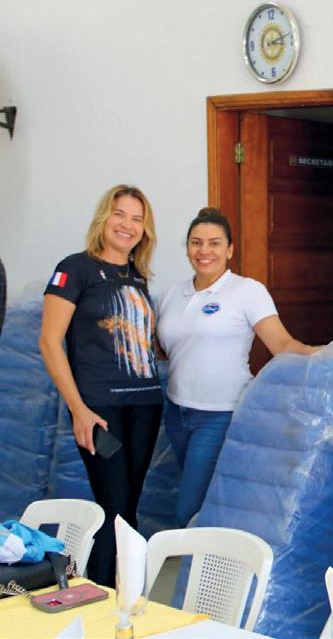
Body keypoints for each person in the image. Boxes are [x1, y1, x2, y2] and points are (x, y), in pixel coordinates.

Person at [156, 207, 319, 527]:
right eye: (196, 242)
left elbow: (283, 345)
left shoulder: (247, 291)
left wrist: (330, 352)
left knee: (189, 508)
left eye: (214, 243)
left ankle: (200, 560)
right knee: (203, 503)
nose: (204, 251)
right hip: (176, 413)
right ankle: (208, 556)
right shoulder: (172, 294)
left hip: (219, 414)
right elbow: (166, 351)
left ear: (230, 250)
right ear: (187, 248)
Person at [39, 185, 163, 586]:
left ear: (145, 230)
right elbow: (49, 342)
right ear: (103, 218)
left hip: (144, 408)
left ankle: (123, 596)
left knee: (128, 509)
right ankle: (104, 598)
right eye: (119, 214)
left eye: (137, 218)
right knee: (114, 508)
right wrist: (79, 409)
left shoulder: (138, 277)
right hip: (99, 409)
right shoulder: (75, 269)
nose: (127, 225)